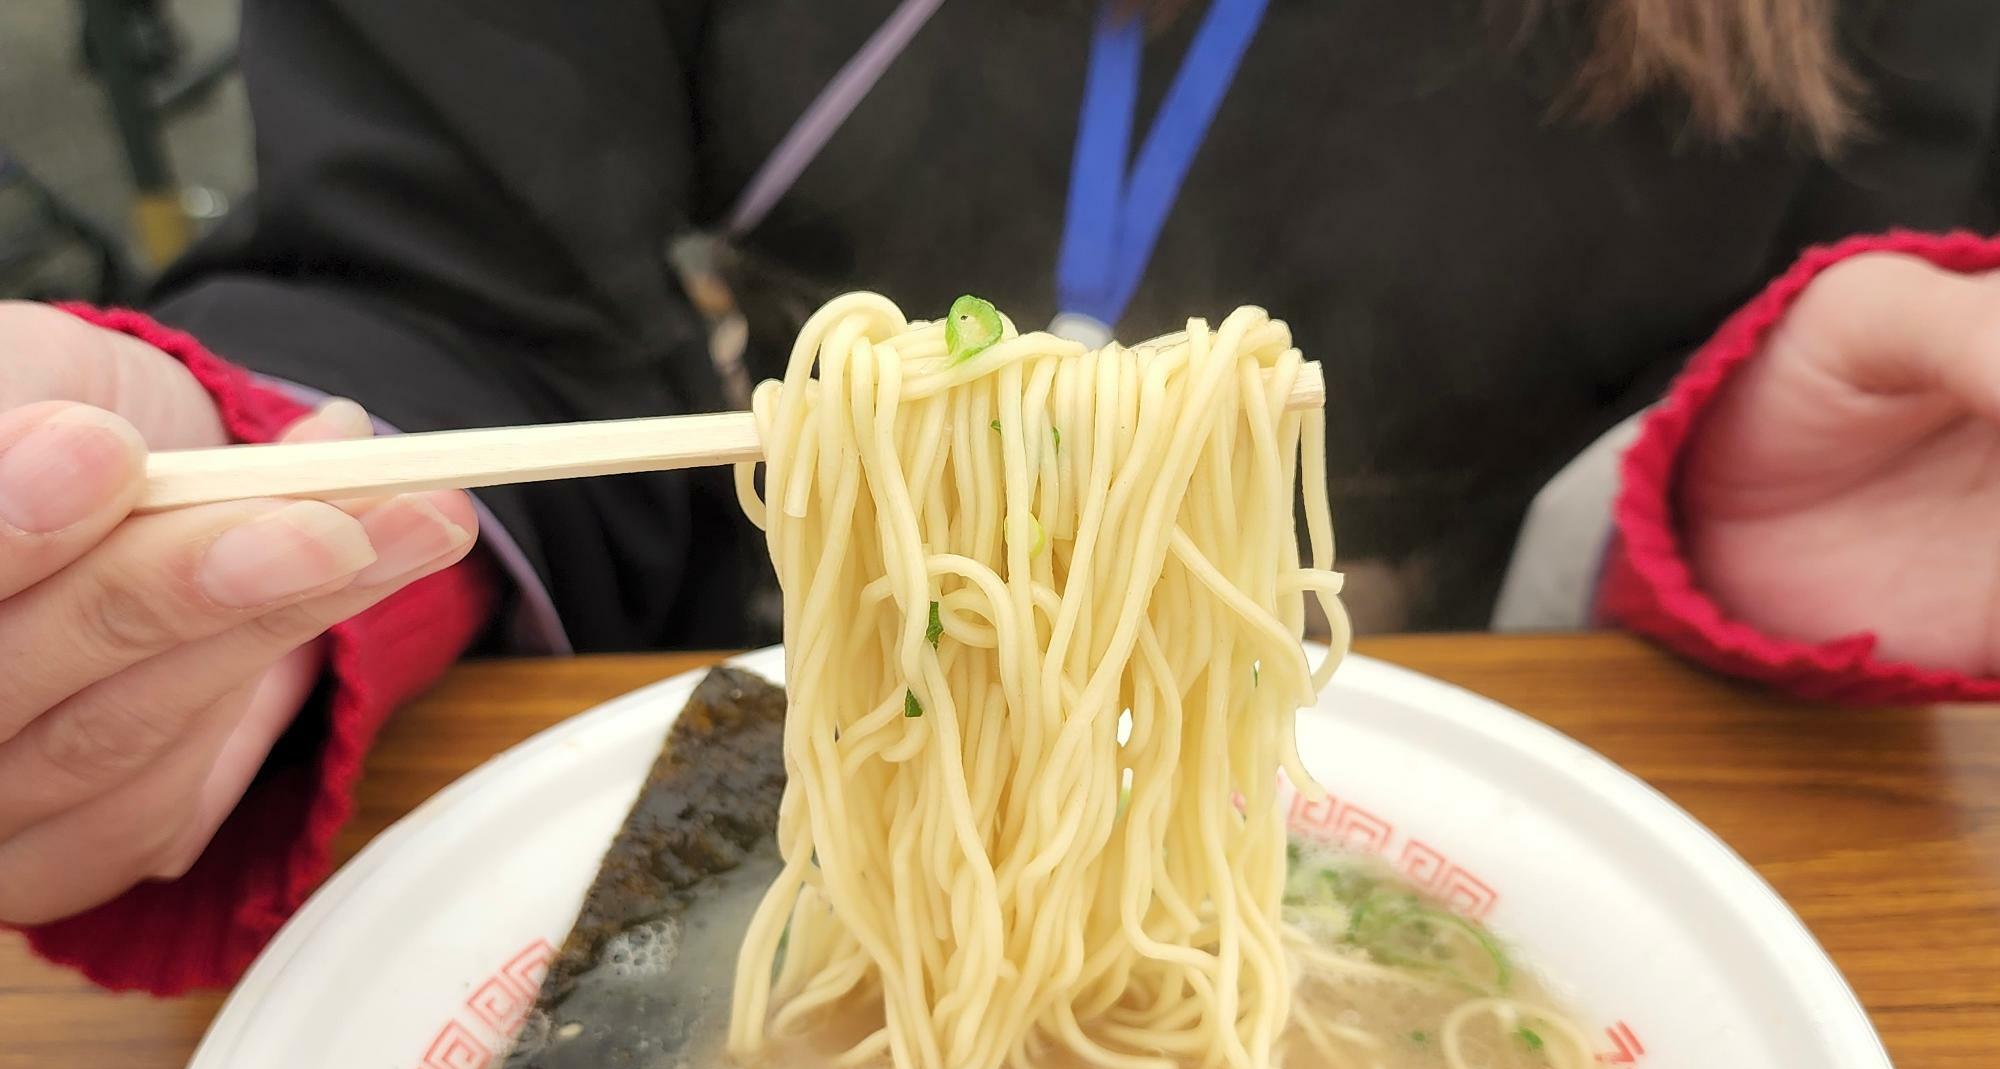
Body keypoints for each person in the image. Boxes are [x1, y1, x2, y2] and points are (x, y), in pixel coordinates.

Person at [4, 0, 1998, 991]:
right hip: (748, 685)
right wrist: (232, 531)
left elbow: (1803, 337)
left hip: (1483, 687)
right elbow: (447, 294)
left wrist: (1728, 503)